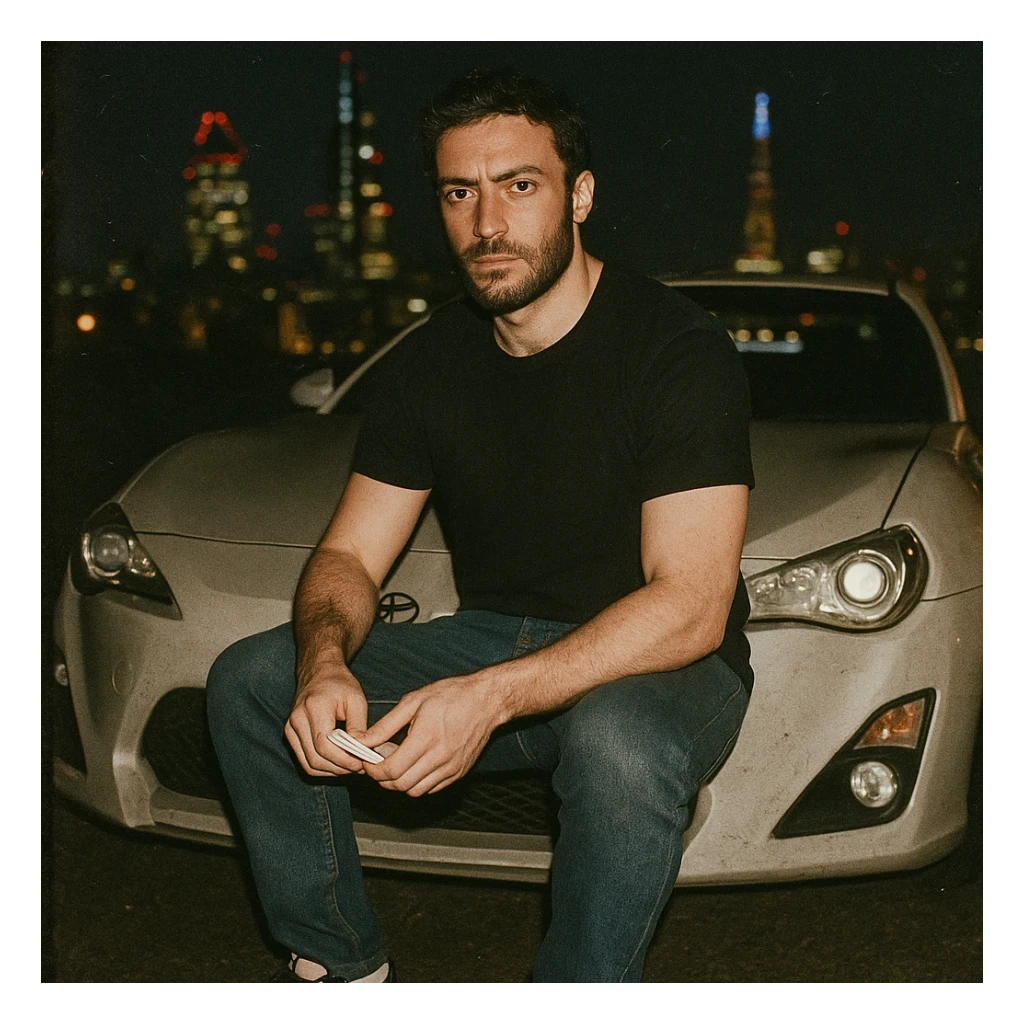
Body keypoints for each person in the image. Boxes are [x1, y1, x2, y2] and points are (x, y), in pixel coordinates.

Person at [206, 67, 755, 984]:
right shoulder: (429, 363)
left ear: (580, 195)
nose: (487, 224)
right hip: (501, 636)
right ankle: (339, 966)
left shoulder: (676, 349)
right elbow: (348, 554)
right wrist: (324, 661)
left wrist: (489, 698)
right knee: (253, 678)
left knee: (617, 742)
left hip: (661, 666)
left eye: (519, 185)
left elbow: (693, 605)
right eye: (460, 193)